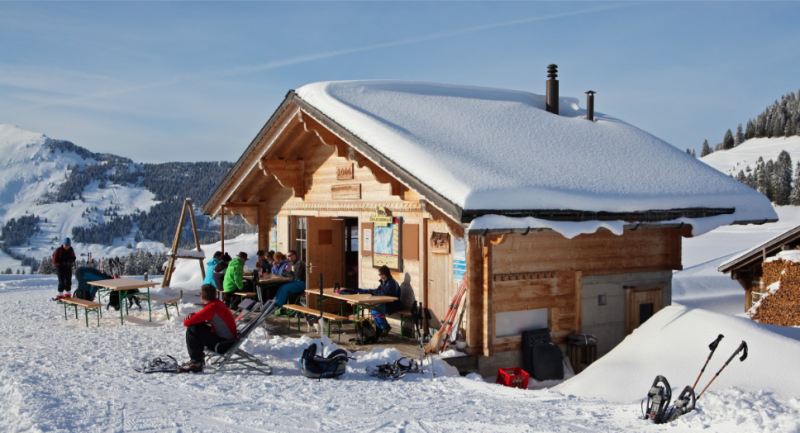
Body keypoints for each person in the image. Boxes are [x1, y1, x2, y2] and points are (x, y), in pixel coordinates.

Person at [182, 284, 238, 373]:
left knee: (193, 328)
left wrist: (192, 317)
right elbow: (200, 316)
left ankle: (197, 362)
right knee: (197, 325)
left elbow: (186, 322)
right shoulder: (217, 304)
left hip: (223, 344)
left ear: (202, 297)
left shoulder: (212, 308)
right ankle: (198, 360)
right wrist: (193, 315)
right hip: (228, 340)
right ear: (215, 295)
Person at [265, 250, 306, 314]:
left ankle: (279, 305)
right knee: (281, 287)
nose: (288, 258)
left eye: (289, 256)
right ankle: (275, 302)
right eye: (287, 256)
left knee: (284, 287)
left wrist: (289, 271)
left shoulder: (299, 263)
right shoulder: (295, 263)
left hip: (302, 283)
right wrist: (275, 266)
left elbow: (296, 276)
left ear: (294, 255)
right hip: (297, 282)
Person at [369, 265, 402, 339]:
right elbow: (378, 290)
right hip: (386, 304)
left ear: (383, 275)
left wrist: (373, 293)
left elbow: (384, 294)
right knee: (374, 311)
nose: (379, 276)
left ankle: (385, 327)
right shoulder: (384, 282)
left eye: (380, 274)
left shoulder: (391, 283)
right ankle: (380, 328)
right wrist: (371, 291)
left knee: (377, 311)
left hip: (393, 305)